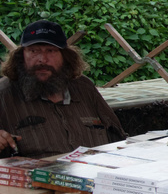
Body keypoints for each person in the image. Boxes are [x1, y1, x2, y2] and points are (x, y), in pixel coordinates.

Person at [0, 20, 125, 159]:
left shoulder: (84, 88)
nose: (42, 59)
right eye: (33, 51)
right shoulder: (4, 94)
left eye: (51, 51)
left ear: (65, 56)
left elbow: (118, 139)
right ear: (21, 55)